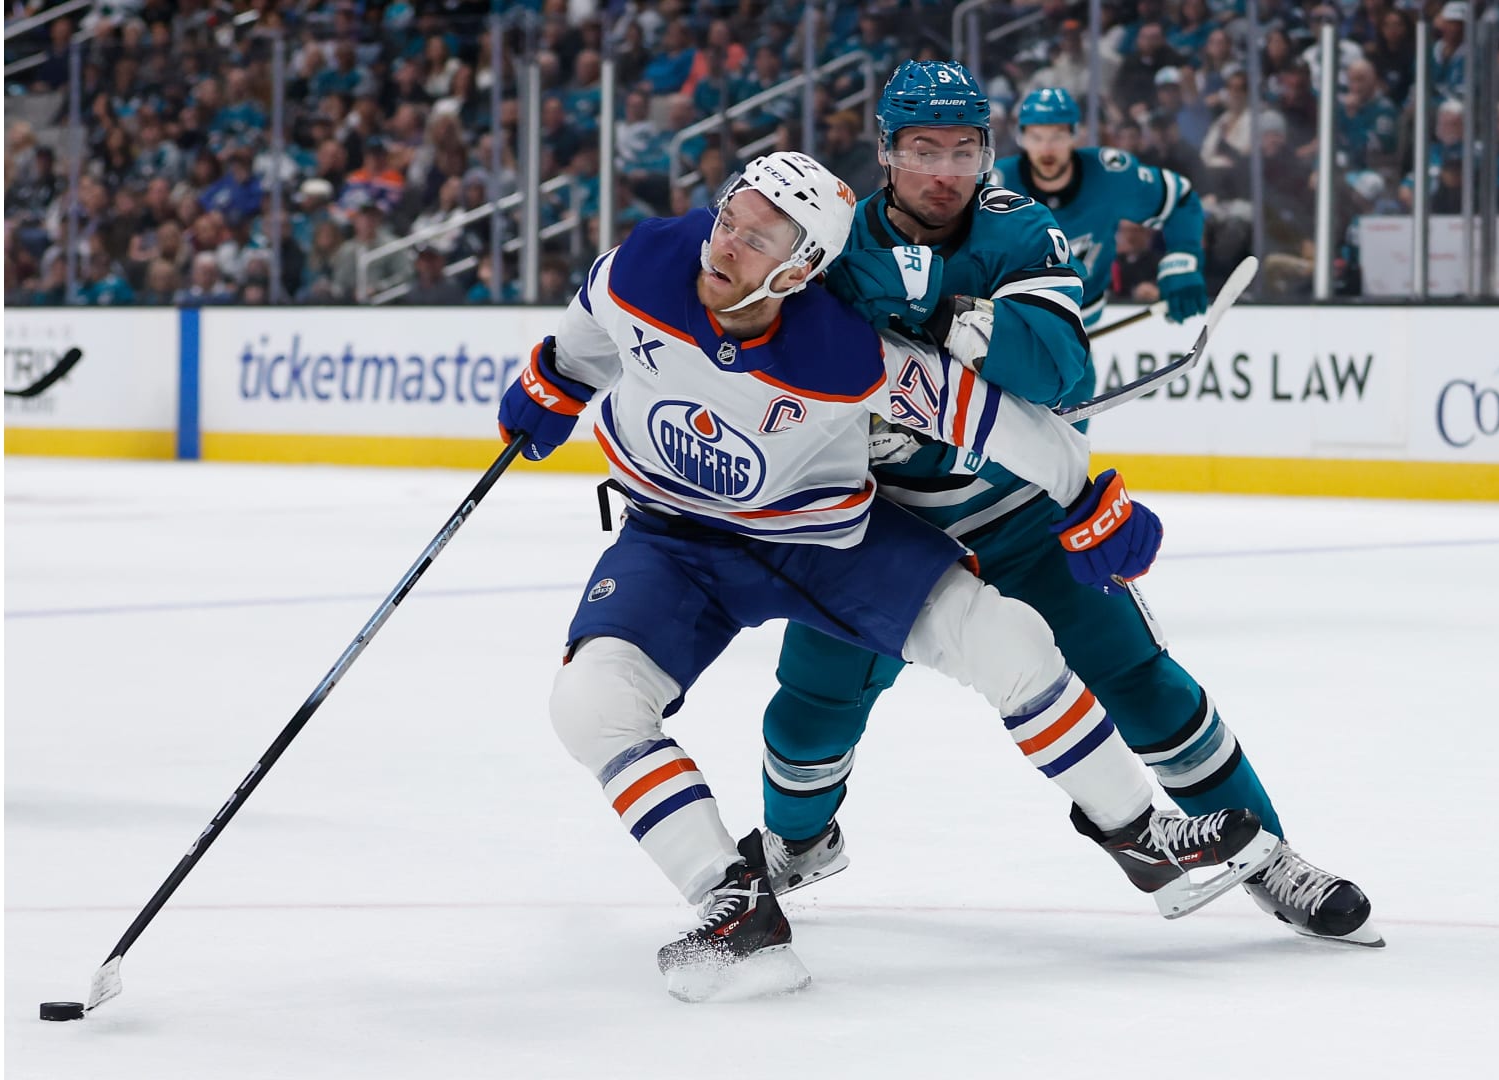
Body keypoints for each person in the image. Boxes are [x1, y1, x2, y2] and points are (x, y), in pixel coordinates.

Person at [498, 150, 1277, 1000]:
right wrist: (553, 379)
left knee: (1007, 638)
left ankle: (1138, 835)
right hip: (674, 538)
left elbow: (1003, 423)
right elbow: (585, 333)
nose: (724, 246)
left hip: (821, 544)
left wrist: (1085, 495)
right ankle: (734, 908)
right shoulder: (647, 266)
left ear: (800, 269)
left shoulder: (844, 352)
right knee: (590, 702)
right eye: (729, 219)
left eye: (759, 239)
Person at [754, 65, 1383, 948]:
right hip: (880, 531)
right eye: (924, 150)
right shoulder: (827, 239)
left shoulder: (1018, 228)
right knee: (810, 706)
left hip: (1016, 517)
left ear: (987, 154)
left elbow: (1061, 370)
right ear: (887, 151)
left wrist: (949, 321)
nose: (945, 171)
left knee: (1142, 681)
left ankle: (1270, 857)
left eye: (964, 151)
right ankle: (796, 843)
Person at [993, 87, 1208, 336]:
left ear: (1074, 135)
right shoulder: (997, 186)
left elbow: (1180, 200)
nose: (1047, 149)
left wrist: (1182, 259)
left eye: (1057, 136)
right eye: (1036, 137)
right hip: (1017, 324)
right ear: (1022, 138)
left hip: (1084, 322)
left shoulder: (1109, 175)